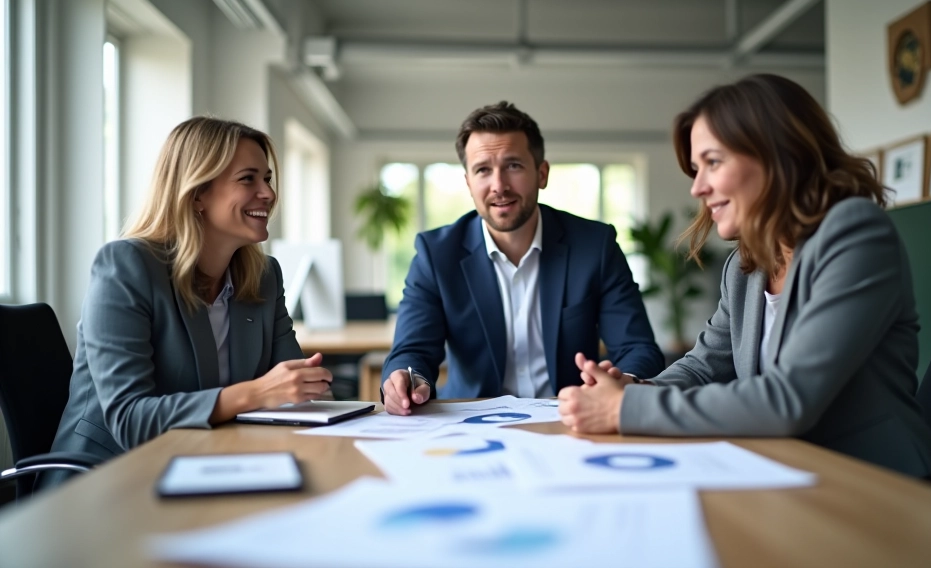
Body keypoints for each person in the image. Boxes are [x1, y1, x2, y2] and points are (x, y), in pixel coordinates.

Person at [557, 75, 931, 477]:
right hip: (790, 472)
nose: (697, 188)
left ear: (777, 154)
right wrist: (637, 388)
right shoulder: (745, 267)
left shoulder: (855, 234)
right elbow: (702, 368)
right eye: (695, 169)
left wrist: (624, 408)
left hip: (879, 481)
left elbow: (789, 399)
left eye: (713, 162)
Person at [45, 117, 332, 484]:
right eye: (248, 179)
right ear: (197, 194)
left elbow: (295, 390)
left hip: (208, 465)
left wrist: (308, 388)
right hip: (105, 480)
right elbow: (130, 420)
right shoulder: (126, 267)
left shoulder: (263, 276)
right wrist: (255, 393)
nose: (269, 194)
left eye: (268, 179)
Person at [382, 101, 663, 415]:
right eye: (483, 170)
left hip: (571, 417)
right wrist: (407, 380)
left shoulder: (595, 245)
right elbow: (413, 350)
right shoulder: (436, 254)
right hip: (470, 420)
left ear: (542, 173)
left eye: (513, 165)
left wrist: (624, 381)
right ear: (469, 182)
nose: (499, 186)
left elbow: (637, 348)